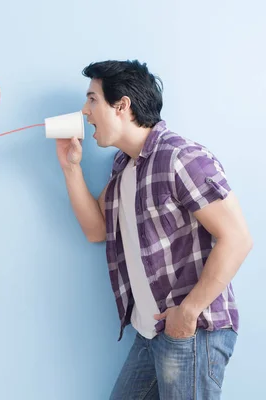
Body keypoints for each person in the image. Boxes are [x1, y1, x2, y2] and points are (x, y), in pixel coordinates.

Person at [56, 60, 252, 399]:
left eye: (92, 100)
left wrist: (187, 313)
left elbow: (237, 239)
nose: (85, 112)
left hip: (189, 332)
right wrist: (70, 168)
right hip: (149, 332)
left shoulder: (180, 156)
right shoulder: (124, 166)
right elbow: (96, 230)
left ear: (122, 105)